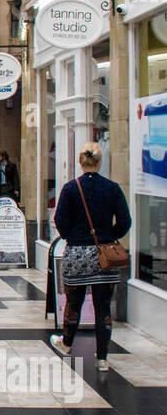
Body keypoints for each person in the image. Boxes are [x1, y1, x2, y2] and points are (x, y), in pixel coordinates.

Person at [49, 141, 131, 373]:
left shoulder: (71, 188)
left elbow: (60, 220)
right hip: (104, 256)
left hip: (77, 253)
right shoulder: (113, 188)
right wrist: (108, 236)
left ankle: (66, 344)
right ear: (99, 161)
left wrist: (72, 237)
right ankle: (102, 358)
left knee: (74, 303)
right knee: (103, 306)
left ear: (80, 161)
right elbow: (125, 221)